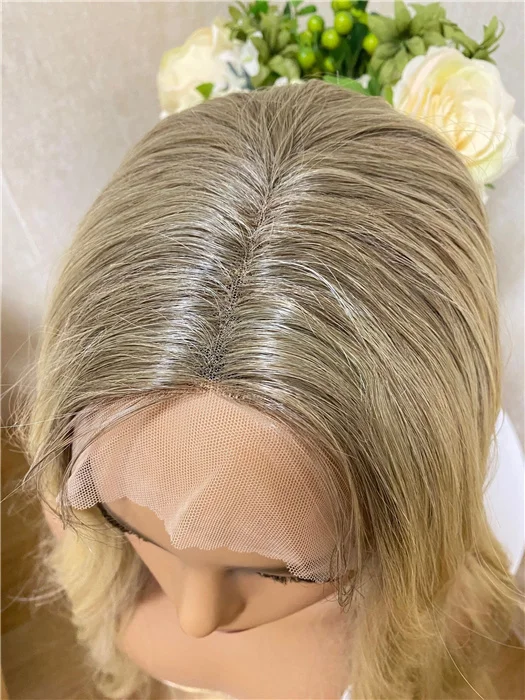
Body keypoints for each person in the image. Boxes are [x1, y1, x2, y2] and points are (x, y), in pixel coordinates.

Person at [13, 79, 524, 699]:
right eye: (133, 527)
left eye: (282, 573)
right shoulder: (72, 469)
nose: (197, 618)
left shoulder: (457, 601)